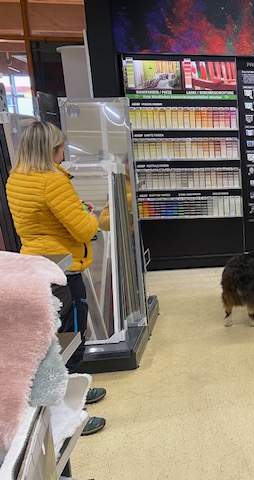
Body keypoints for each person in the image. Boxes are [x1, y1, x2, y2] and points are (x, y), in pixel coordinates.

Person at [6, 121, 108, 436]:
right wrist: (89, 215)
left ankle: (72, 390)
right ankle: (69, 415)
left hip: (36, 264)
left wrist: (75, 209)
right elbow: (84, 229)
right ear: (52, 150)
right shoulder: (53, 181)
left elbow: (43, 220)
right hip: (65, 269)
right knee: (71, 337)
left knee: (52, 340)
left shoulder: (16, 177)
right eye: (61, 147)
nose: (64, 153)